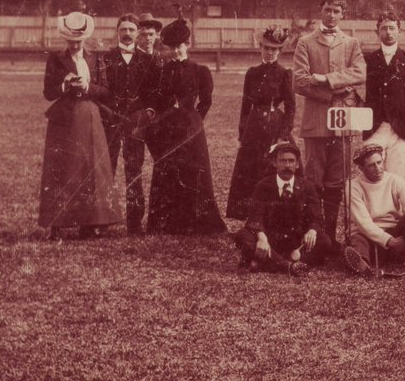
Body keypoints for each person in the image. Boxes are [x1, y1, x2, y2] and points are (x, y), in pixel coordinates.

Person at [291, 0, 366, 246]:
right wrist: (337, 88)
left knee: (337, 180)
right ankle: (315, 235)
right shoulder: (306, 42)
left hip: (343, 123)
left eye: (336, 10)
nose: (332, 15)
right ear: (320, 11)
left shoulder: (351, 43)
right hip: (316, 122)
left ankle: (331, 238)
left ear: (343, 13)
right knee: (313, 179)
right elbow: (300, 81)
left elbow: (359, 72)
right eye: (327, 10)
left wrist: (326, 79)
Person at [39, 12, 122, 239]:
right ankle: (57, 225)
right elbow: (48, 92)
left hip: (90, 115)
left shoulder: (97, 58)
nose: (75, 45)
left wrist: (87, 86)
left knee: (92, 169)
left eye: (79, 41)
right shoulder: (55, 59)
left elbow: (105, 90)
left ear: (85, 38)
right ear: (65, 39)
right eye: (71, 41)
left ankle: (91, 223)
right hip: (64, 120)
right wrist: (64, 85)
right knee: (62, 169)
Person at [142, 17, 225, 235]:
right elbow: (157, 100)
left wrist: (196, 118)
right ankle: (169, 223)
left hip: (191, 128)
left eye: (180, 46)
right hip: (168, 128)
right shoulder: (162, 71)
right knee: (168, 170)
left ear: (187, 45)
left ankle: (195, 222)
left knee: (194, 172)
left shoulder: (200, 70)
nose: (176, 51)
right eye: (172, 47)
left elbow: (206, 100)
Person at [93, 13, 159, 234]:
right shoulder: (106, 57)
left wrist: (148, 111)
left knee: (134, 170)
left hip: (135, 121)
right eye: (124, 29)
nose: (128, 33)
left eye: (132, 29)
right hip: (110, 119)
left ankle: (134, 223)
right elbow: (99, 87)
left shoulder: (148, 60)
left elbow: (154, 91)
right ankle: (101, 222)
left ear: (137, 32)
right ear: (117, 31)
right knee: (106, 169)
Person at [226, 26, 296, 221]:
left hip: (274, 124)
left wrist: (284, 134)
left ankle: (276, 217)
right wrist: (242, 133)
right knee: (250, 170)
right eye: (266, 48)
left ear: (279, 51)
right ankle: (251, 216)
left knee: (272, 167)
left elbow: (291, 106)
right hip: (253, 126)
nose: (269, 52)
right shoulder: (252, 73)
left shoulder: (284, 73)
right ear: (260, 48)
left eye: (274, 49)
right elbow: (245, 104)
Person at [234, 142, 331, 275]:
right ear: (274, 163)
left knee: (324, 241)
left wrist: (312, 231)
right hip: (270, 240)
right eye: (282, 161)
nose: (287, 165)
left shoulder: (307, 186)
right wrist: (262, 239)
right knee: (243, 237)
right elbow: (256, 217)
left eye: (291, 161)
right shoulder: (263, 185)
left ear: (297, 164)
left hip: (296, 241)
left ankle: (267, 262)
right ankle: (289, 267)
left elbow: (317, 216)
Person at [343, 144, 405, 277]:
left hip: (394, 231)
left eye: (379, 162)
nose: (378, 168)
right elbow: (364, 223)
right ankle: (363, 265)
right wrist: (389, 240)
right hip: (369, 234)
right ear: (361, 168)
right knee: (358, 240)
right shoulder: (353, 186)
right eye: (371, 165)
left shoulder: (395, 180)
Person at [363, 12, 405, 181]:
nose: (388, 32)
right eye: (384, 28)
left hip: (401, 127)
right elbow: (354, 82)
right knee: (372, 175)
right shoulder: (368, 59)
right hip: (374, 125)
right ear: (377, 32)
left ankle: (395, 208)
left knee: (397, 178)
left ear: (399, 31)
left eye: (392, 28)